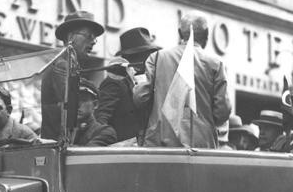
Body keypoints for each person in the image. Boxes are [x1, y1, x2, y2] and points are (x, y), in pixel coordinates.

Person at [135, 12, 231, 148]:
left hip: (160, 141)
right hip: (201, 143)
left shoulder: (156, 58)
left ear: (180, 33)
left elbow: (140, 98)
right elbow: (222, 112)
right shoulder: (215, 63)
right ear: (207, 34)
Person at [41, 11, 104, 140]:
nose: (93, 42)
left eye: (94, 38)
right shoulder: (62, 65)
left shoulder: (69, 65)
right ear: (70, 37)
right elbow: (73, 107)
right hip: (60, 145)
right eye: (89, 36)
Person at [95, 27, 161, 142]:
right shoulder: (114, 82)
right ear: (133, 57)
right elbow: (102, 116)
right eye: (146, 55)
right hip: (118, 147)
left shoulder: (139, 81)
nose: (149, 60)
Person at [72, 81, 117, 146]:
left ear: (95, 104)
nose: (77, 105)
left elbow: (83, 155)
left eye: (83, 100)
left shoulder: (104, 132)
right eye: (73, 100)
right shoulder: (61, 131)